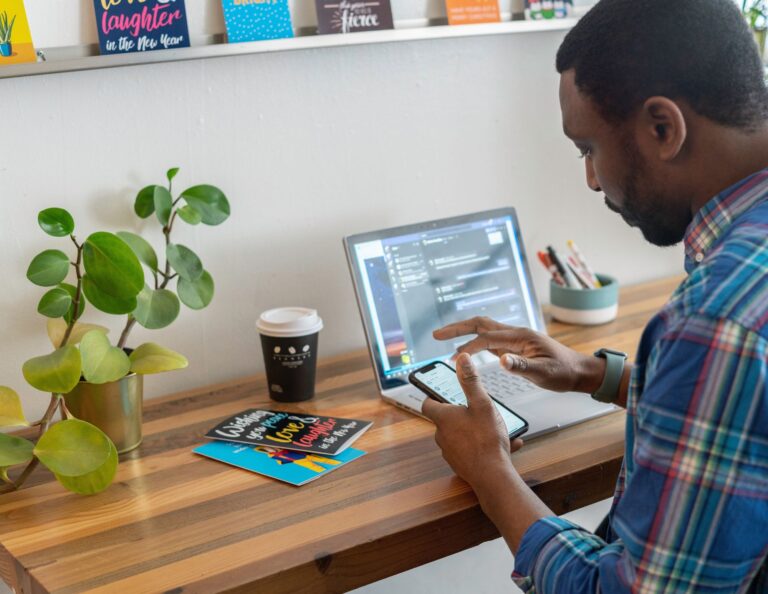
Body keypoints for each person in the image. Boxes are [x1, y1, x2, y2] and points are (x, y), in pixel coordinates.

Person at [420, 0, 768, 591]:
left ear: (663, 128)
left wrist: (491, 471)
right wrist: (596, 375)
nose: (590, 179)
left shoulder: (717, 317)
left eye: (588, 148)